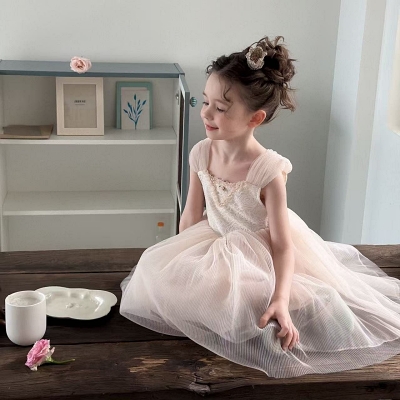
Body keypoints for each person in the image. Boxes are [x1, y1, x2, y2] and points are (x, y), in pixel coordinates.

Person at [120, 36, 400, 378]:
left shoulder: (268, 171)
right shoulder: (201, 153)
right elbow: (191, 216)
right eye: (205, 102)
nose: (206, 113)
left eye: (220, 108)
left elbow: (282, 246)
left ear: (255, 118)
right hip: (214, 240)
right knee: (160, 275)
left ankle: (288, 307)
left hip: (260, 251)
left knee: (259, 301)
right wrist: (183, 265)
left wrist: (280, 298)